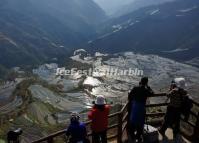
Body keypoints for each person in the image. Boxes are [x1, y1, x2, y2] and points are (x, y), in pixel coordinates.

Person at [128, 77, 154, 142]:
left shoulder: (135, 88)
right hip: (142, 108)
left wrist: (133, 101)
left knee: (133, 120)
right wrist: (148, 87)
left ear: (140, 81)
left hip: (135, 107)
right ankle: (138, 137)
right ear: (146, 82)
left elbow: (130, 96)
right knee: (140, 123)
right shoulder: (146, 90)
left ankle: (132, 137)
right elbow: (152, 93)